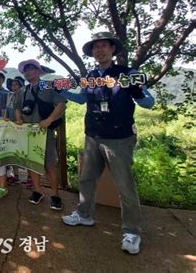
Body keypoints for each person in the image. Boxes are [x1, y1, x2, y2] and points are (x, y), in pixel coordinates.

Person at [61, 32, 155, 255]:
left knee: (124, 186)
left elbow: (149, 102)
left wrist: (137, 91)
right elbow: (82, 98)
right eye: (96, 47)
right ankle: (84, 215)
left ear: (113, 49)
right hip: (93, 135)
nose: (99, 50)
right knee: (86, 179)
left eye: (104, 46)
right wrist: (62, 91)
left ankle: (132, 231)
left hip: (119, 138)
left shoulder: (128, 73)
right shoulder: (90, 76)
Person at [14, 60, 66, 210]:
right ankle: (37, 191)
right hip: (29, 133)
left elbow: (62, 104)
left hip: (46, 132)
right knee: (32, 164)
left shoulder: (47, 86)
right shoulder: (23, 90)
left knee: (50, 164)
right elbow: (17, 107)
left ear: (38, 71)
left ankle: (55, 195)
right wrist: (18, 119)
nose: (28, 72)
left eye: (31, 69)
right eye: (26, 71)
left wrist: (49, 120)